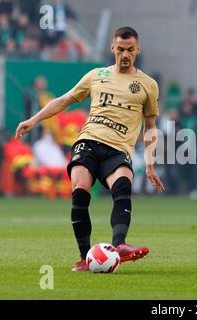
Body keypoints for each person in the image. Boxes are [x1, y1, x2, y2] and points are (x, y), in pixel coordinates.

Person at [15, 26, 165, 272]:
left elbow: (150, 126)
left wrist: (150, 165)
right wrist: (34, 120)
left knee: (123, 185)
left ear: (137, 50)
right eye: (120, 49)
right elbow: (64, 100)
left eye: (130, 50)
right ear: (112, 49)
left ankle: (119, 246)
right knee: (81, 192)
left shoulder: (148, 85)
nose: (125, 54)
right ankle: (86, 257)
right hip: (88, 142)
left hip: (118, 150)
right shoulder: (96, 75)